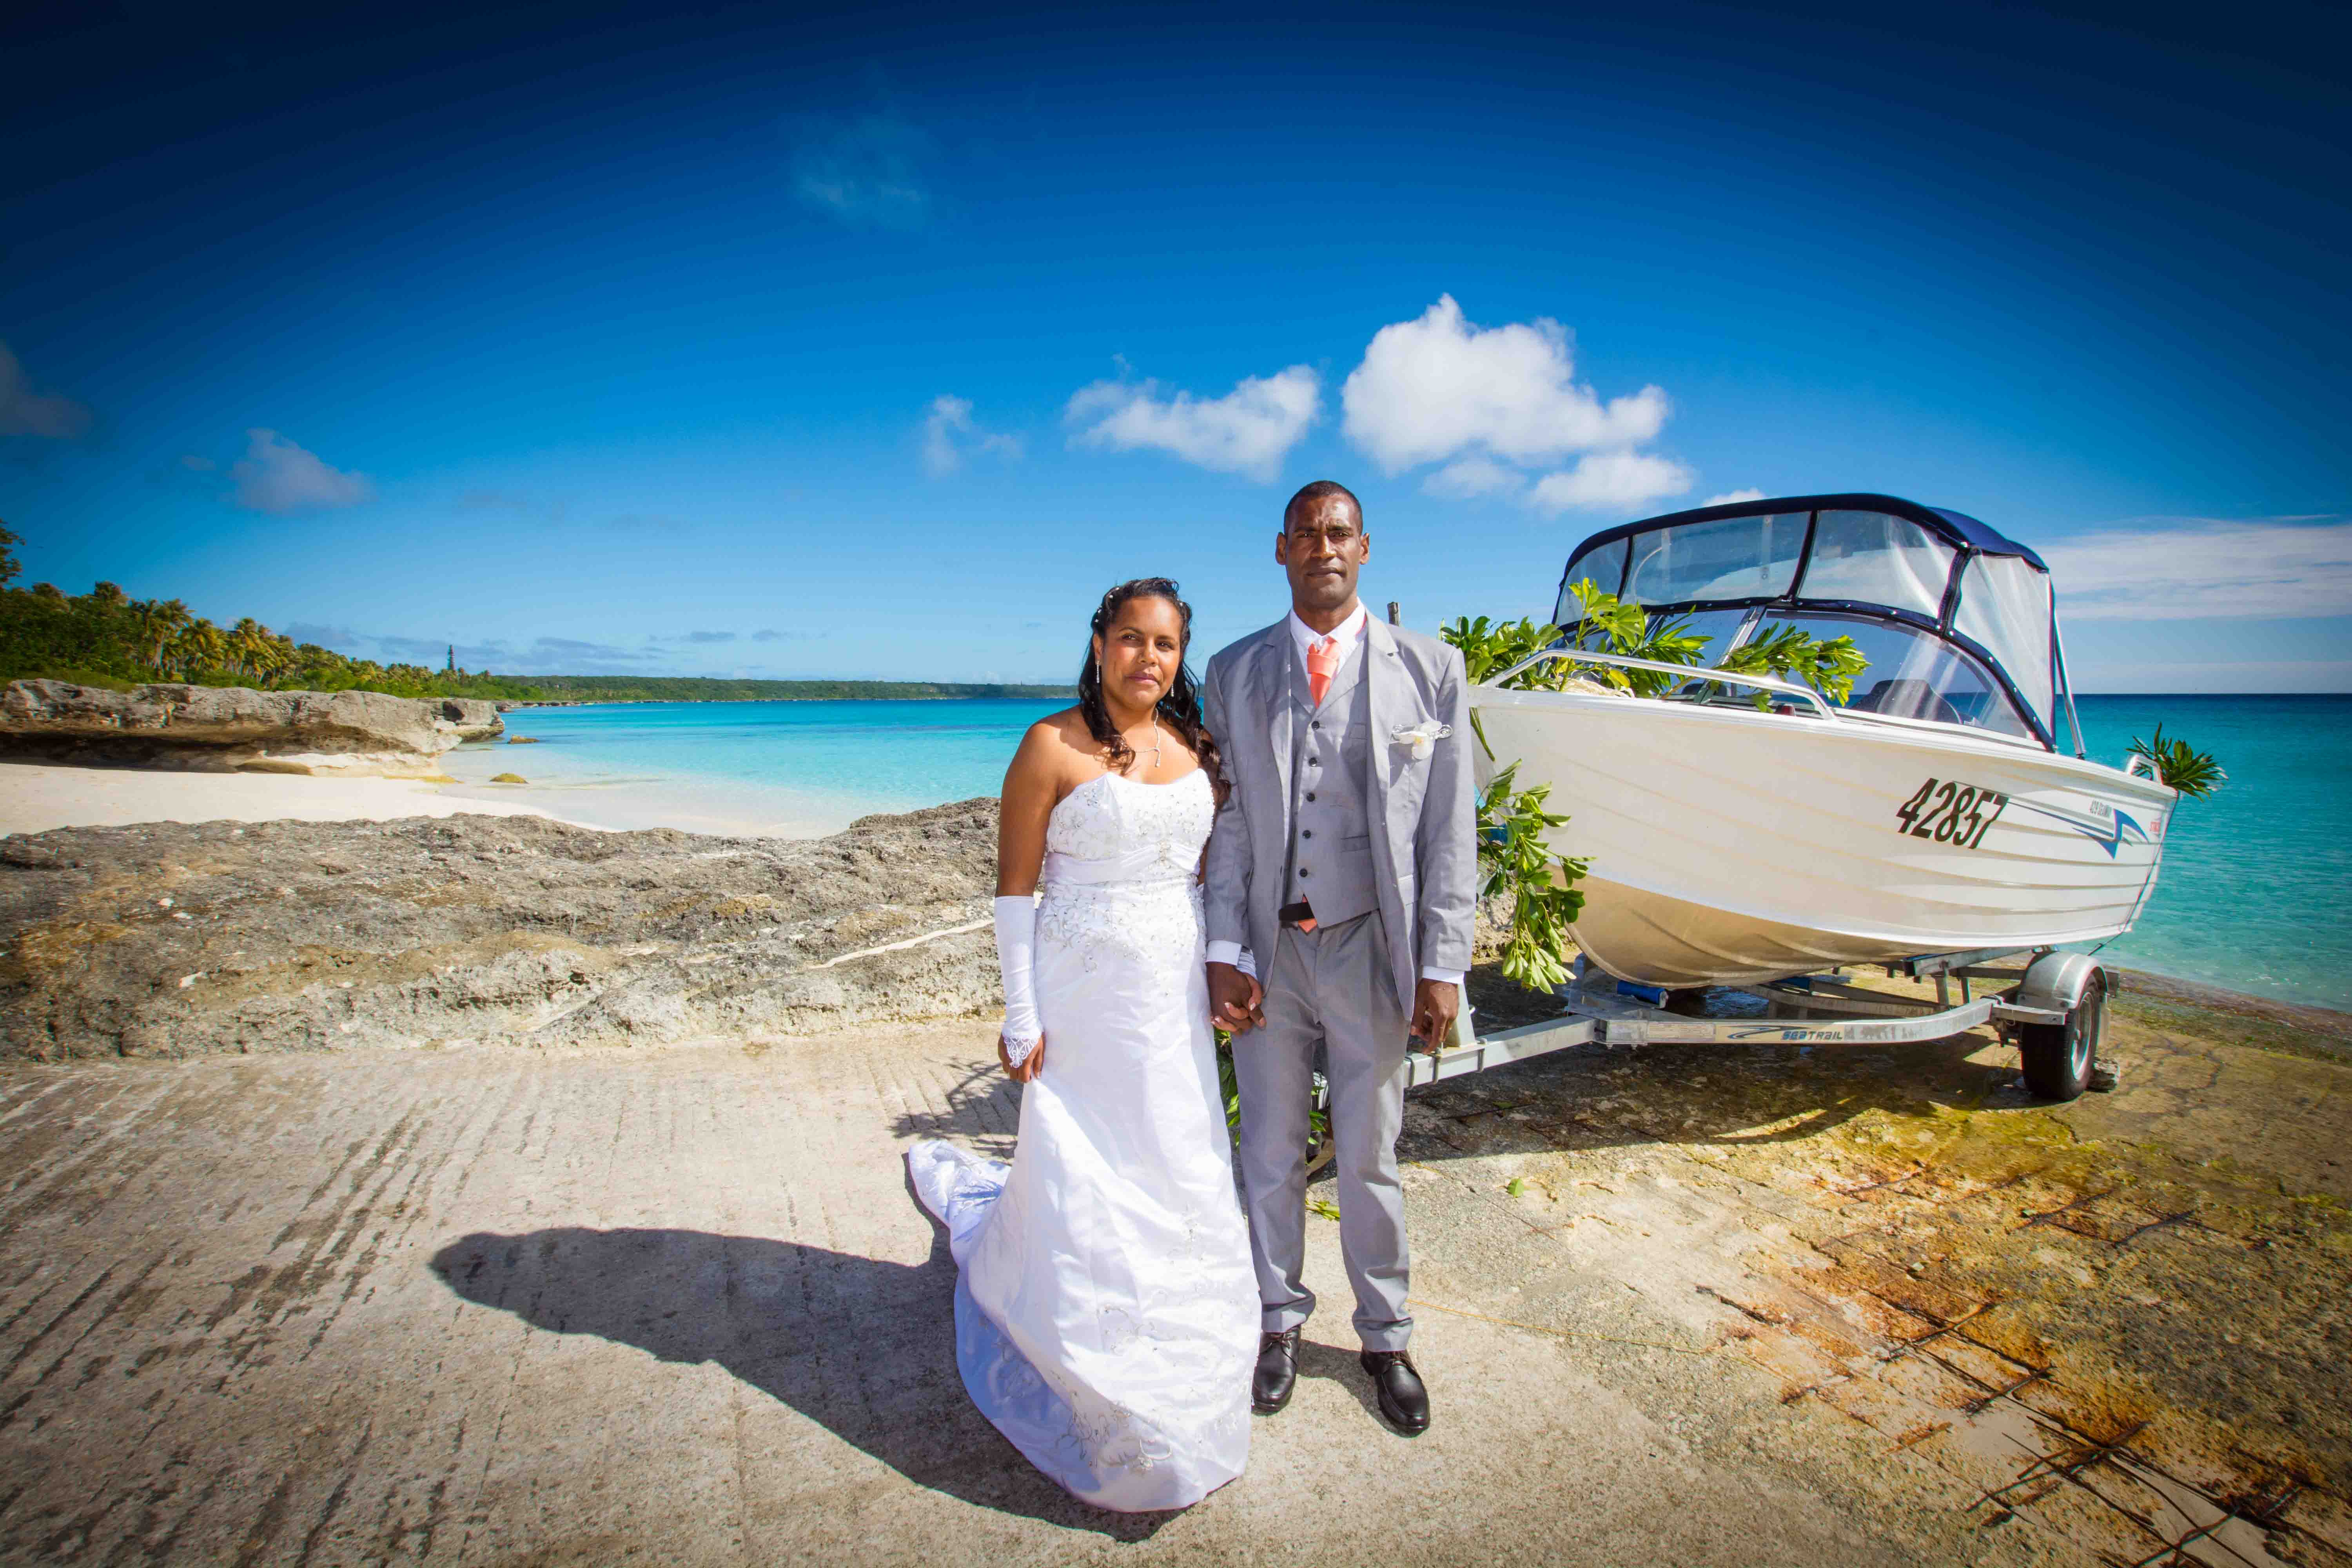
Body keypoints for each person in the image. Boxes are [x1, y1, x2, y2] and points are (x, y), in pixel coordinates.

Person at [906, 578, 1257, 1512]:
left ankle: (1182, 1352)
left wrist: (1229, 960)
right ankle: (1084, 1344)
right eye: (1133, 639)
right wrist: (1022, 1011)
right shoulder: (1048, 746)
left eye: (1168, 644)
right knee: (1090, 1164)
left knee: (1175, 1157)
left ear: (1182, 656)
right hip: (1081, 993)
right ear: (1099, 643)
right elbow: (1015, 890)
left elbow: (1220, 872)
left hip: (1171, 997)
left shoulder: (1199, 746)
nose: (1150, 658)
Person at [1200, 480, 1476, 1436]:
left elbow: (1449, 829)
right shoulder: (1233, 670)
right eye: (1307, 534)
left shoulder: (1431, 670)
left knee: (1371, 1155)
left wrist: (1442, 965)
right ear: (1281, 550)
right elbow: (1229, 820)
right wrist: (1225, 948)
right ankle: (1275, 1319)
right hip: (1273, 950)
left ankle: (1386, 1335)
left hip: (1372, 948)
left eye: (1340, 532)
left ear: (1366, 548)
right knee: (1268, 1151)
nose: (1324, 545)